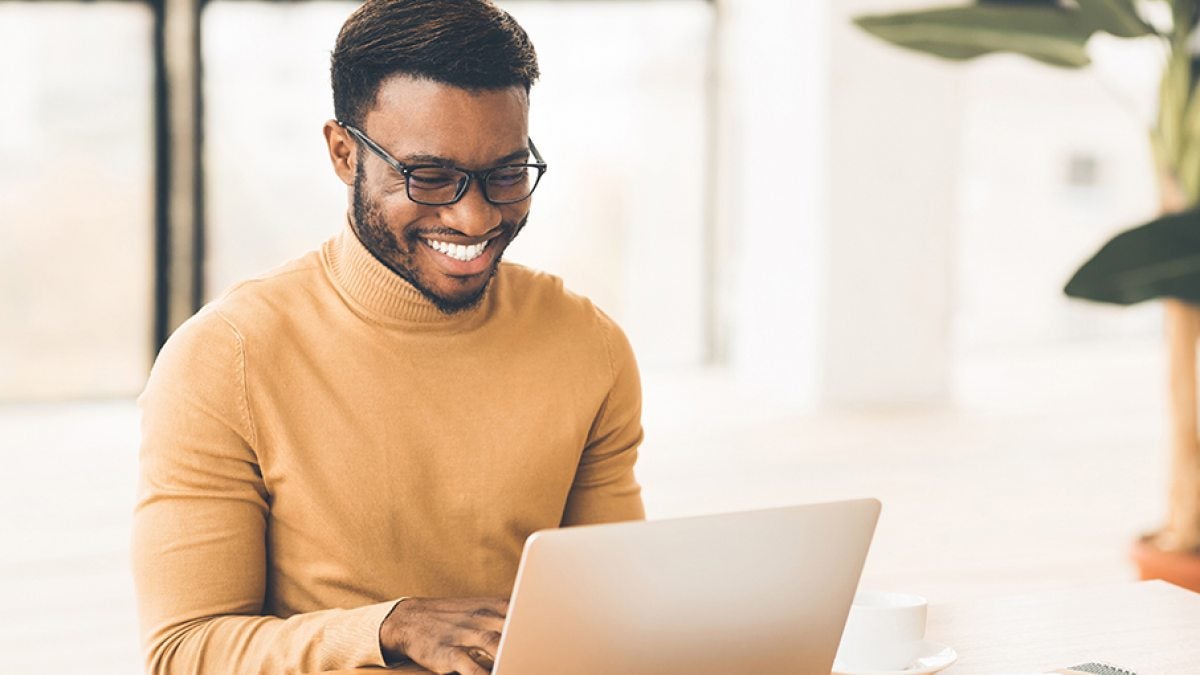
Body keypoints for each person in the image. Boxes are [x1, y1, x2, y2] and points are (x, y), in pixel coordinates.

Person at [131, 1, 645, 673]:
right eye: (430, 176)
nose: (473, 215)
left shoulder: (588, 345)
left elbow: (617, 611)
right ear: (344, 154)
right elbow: (183, 649)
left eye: (506, 174)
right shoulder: (224, 357)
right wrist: (388, 627)